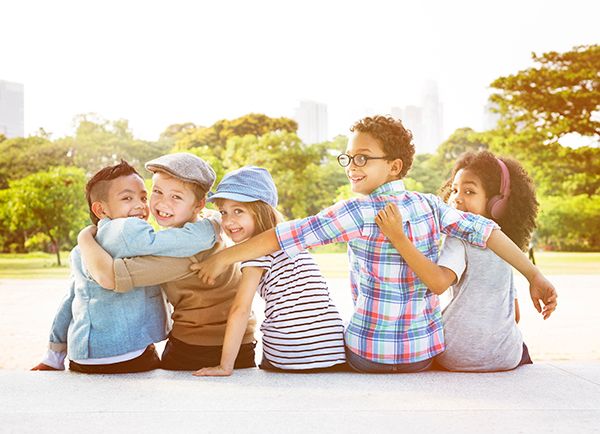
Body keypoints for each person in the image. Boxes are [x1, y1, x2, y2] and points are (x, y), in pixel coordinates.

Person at [192, 115, 557, 374]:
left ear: (395, 166)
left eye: (363, 158)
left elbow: (285, 235)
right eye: (349, 157)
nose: (352, 165)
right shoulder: (431, 205)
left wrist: (225, 257)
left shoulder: (356, 211)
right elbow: (488, 232)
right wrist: (534, 275)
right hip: (421, 356)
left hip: (369, 357)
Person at [32, 156, 218, 373]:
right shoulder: (127, 230)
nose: (140, 206)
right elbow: (189, 241)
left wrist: (54, 355)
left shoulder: (83, 248)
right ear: (101, 210)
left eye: (143, 197)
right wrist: (214, 223)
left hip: (83, 357)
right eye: (127, 199)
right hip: (127, 353)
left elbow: (69, 302)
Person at [77, 157, 257, 371]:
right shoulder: (204, 227)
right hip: (243, 346)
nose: (162, 203)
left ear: (197, 205)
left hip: (198, 348)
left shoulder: (180, 253)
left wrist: (85, 238)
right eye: (157, 192)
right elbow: (213, 218)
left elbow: (110, 276)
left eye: (176, 197)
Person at [376, 150, 544, 371]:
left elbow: (438, 283)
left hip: (455, 355)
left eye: (469, 191)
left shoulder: (459, 238)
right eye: (454, 190)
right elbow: (515, 315)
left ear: (497, 202)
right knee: (521, 347)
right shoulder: (507, 246)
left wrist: (398, 237)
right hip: (506, 357)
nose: (457, 197)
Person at [193, 166, 346, 377]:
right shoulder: (294, 243)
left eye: (238, 211)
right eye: (223, 212)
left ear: (262, 211)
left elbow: (240, 309)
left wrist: (225, 366)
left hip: (288, 355)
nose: (228, 221)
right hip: (332, 351)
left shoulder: (255, 254)